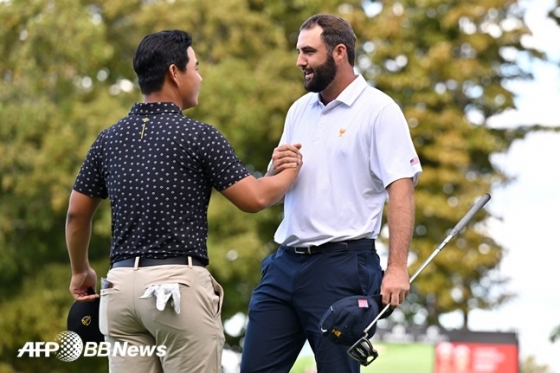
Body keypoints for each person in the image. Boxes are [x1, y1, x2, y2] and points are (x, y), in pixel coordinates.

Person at [65, 30, 302, 373]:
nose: (200, 76)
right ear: (175, 73)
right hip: (175, 290)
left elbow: (76, 215)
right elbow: (255, 198)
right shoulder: (198, 136)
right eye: (196, 67)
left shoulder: (108, 139)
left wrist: (80, 270)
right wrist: (289, 171)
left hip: (118, 290)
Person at [240, 14, 422, 373]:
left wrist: (397, 268)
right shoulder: (298, 110)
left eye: (308, 51)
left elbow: (401, 191)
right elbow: (274, 193)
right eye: (298, 52)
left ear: (340, 52)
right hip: (284, 265)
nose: (299, 61)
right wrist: (274, 170)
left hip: (343, 268)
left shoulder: (379, 111)